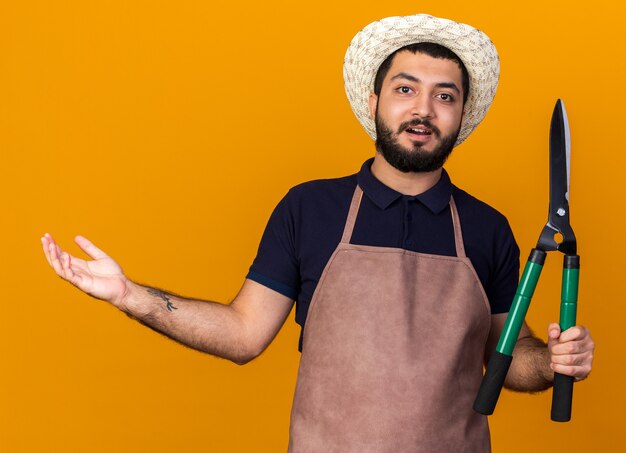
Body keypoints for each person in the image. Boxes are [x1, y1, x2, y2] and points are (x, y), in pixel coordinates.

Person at [42, 13, 594, 453]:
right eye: (405, 89)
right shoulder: (310, 209)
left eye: (444, 95)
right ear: (375, 101)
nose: (423, 109)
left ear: (460, 114)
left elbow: (511, 355)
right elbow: (242, 335)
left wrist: (551, 362)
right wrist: (130, 295)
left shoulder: (486, 228)